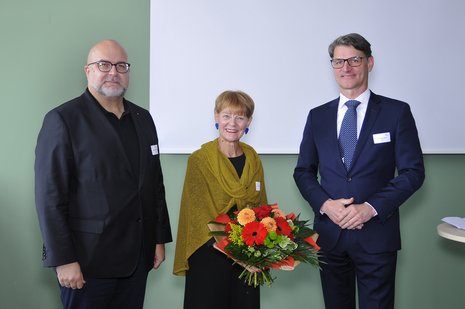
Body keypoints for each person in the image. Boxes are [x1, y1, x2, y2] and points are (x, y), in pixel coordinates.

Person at [34, 39, 172, 309]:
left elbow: (155, 184)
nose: (113, 72)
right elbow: (49, 197)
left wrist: (158, 238)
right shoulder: (63, 119)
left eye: (121, 66)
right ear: (88, 70)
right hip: (87, 264)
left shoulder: (144, 119)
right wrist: (63, 259)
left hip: (137, 259)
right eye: (104, 65)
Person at [293, 33, 425, 309]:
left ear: (369, 63)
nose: (346, 67)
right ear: (332, 67)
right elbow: (303, 171)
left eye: (354, 59)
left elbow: (413, 172)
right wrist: (325, 205)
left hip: (376, 236)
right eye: (339, 61)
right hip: (330, 237)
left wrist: (371, 207)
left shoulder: (396, 112)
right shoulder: (317, 116)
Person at [173, 90, 268, 309]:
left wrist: (261, 251)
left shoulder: (253, 158)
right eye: (226, 116)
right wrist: (238, 255)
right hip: (209, 255)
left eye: (240, 117)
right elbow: (199, 217)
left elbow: (261, 209)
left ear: (248, 122)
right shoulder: (199, 160)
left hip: (247, 255)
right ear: (216, 116)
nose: (232, 123)